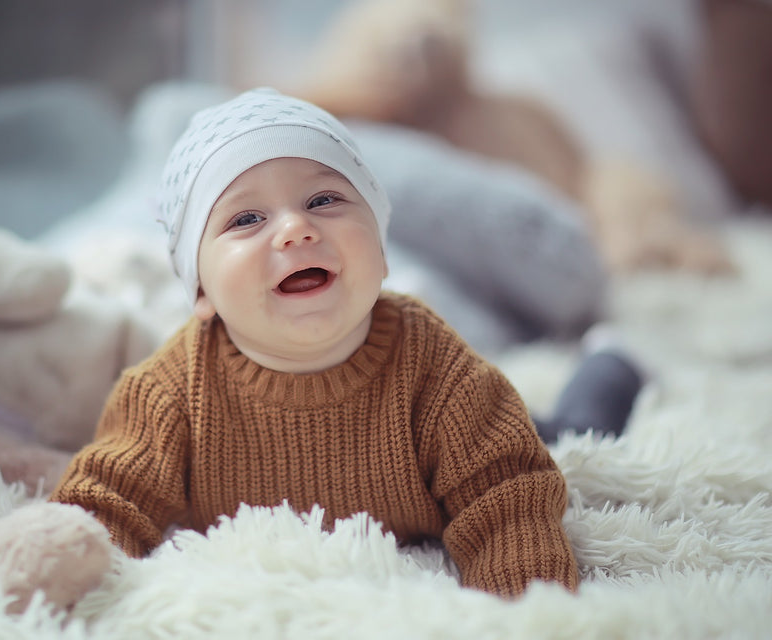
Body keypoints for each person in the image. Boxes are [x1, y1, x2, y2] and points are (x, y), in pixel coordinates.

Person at [51, 88, 642, 597]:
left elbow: (506, 497)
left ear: (382, 252)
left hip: (483, 438)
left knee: (574, 433)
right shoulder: (171, 392)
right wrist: (55, 578)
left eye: (324, 200)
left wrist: (528, 609)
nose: (296, 227)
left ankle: (611, 364)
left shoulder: (437, 369)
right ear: (200, 291)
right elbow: (107, 498)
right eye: (246, 219)